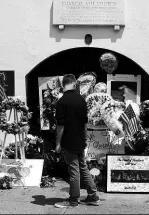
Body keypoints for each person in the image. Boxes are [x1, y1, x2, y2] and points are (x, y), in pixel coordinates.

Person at [54, 74, 100, 208]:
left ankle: (73, 199)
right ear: (74, 84)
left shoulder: (62, 102)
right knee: (83, 167)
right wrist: (84, 138)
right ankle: (93, 196)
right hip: (80, 140)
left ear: (63, 85)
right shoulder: (81, 100)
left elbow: (60, 126)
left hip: (68, 140)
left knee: (74, 170)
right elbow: (85, 123)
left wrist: (58, 143)